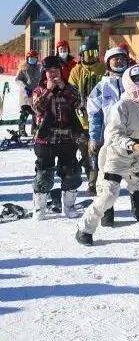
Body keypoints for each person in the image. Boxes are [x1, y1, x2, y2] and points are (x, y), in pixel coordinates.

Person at [76, 65, 139, 243]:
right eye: (137, 79)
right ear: (128, 81)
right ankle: (84, 228)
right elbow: (113, 135)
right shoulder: (121, 106)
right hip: (117, 155)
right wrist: (131, 144)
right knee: (109, 194)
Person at [86, 47, 139, 226]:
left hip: (133, 137)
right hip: (109, 140)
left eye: (121, 59)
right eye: (114, 59)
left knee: (136, 175)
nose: (118, 62)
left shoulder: (134, 83)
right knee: (107, 179)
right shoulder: (101, 87)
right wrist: (94, 137)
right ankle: (107, 215)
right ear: (108, 63)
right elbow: (94, 114)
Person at [30, 55, 85, 219]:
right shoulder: (39, 90)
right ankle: (39, 208)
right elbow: (38, 108)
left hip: (67, 139)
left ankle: (69, 206)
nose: (53, 74)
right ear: (44, 73)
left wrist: (64, 88)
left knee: (71, 172)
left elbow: (78, 103)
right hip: (45, 139)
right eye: (49, 72)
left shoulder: (69, 88)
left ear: (61, 72)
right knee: (44, 174)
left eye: (56, 71)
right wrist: (48, 90)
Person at [69, 43, 106, 199]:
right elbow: (71, 92)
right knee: (86, 153)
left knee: (98, 152)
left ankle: (96, 182)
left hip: (100, 119)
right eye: (88, 53)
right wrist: (79, 105)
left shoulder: (102, 69)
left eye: (94, 53)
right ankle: (91, 179)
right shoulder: (76, 71)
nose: (91, 56)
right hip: (81, 119)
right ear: (81, 54)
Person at [15, 50, 42, 137]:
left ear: (37, 59)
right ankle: (21, 129)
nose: (32, 60)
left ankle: (34, 130)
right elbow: (18, 79)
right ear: (27, 58)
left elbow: (41, 79)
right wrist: (24, 87)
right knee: (25, 112)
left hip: (36, 95)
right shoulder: (23, 68)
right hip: (25, 95)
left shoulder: (39, 68)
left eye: (34, 58)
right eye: (31, 58)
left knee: (36, 112)